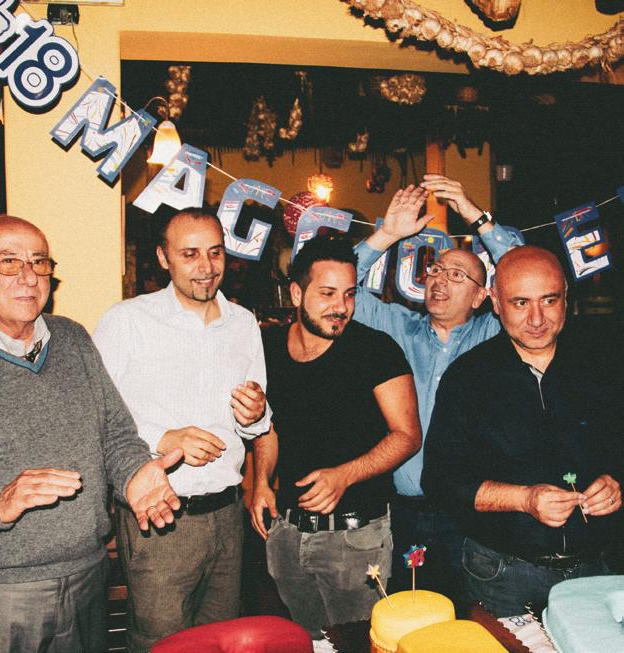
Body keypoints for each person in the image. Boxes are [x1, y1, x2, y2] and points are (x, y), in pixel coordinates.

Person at [0, 214, 182, 653]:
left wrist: (133, 474)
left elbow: (115, 433)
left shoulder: (73, 339)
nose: (29, 276)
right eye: (8, 262)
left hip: (88, 578)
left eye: (39, 262)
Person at [93, 208, 271, 652]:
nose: (206, 266)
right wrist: (162, 437)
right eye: (189, 254)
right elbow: (95, 411)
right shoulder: (127, 320)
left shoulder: (243, 323)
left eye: (215, 252)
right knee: (162, 645)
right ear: (163, 258)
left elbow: (257, 420)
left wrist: (256, 413)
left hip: (228, 514)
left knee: (222, 642)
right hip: (161, 519)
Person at [422, 246, 622, 617]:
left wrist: (617, 483)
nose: (537, 319)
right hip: (502, 576)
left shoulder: (604, 362)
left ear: (566, 297)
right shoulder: (467, 378)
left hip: (599, 568)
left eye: (549, 300)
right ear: (496, 303)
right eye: (520, 303)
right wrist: (524, 499)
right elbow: (440, 480)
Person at [353, 175, 521, 606]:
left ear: (482, 297)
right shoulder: (398, 326)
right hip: (405, 513)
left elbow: (525, 276)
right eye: (436, 270)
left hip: (473, 517)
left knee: (472, 620)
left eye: (458, 275)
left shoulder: (493, 336)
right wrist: (387, 234)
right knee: (410, 615)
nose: (440, 280)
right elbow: (335, 289)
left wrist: (476, 217)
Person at [250, 237, 421, 647]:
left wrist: (344, 475)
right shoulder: (267, 349)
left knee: (359, 644)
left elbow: (408, 435)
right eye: (327, 294)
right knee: (306, 643)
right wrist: (261, 482)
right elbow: (268, 427)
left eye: (348, 294)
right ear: (297, 293)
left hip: (356, 539)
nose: (341, 306)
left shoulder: (375, 350)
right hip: (287, 535)